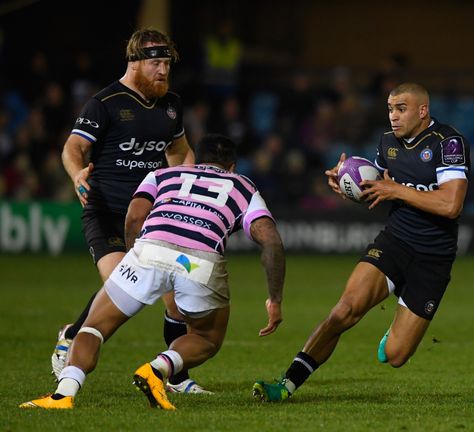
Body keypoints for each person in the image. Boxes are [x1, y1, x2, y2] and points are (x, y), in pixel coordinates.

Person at [20, 134, 285, 410]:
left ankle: (63, 394)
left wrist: (137, 262)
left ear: (197, 160)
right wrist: (274, 299)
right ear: (232, 166)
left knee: (94, 326)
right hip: (200, 262)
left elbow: (135, 216)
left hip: (149, 248)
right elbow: (271, 240)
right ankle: (158, 369)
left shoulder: (163, 175)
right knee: (206, 338)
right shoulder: (243, 186)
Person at [252, 82, 471, 402]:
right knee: (344, 311)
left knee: (396, 355)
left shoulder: (447, 143)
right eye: (390, 109)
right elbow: (375, 187)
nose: (393, 116)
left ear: (422, 111)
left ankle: (397, 328)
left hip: (434, 256)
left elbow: (451, 205)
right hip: (395, 241)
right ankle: (287, 384)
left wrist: (395, 190)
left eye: (401, 109)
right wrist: (347, 186)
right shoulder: (386, 143)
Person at [54, 28, 210, 394]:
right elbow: (72, 147)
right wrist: (78, 174)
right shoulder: (105, 102)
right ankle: (73, 336)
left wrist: (185, 185)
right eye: (156, 63)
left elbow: (180, 151)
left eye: (167, 64)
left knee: (176, 300)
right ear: (134, 62)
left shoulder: (170, 103)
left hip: (151, 216)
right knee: (120, 283)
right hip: (106, 212)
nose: (162, 72)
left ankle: (177, 376)